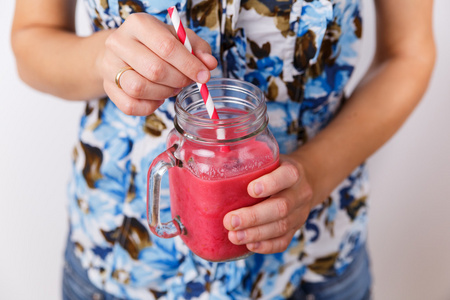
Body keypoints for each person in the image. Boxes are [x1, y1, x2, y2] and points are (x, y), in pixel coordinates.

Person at [11, 0, 435, 299]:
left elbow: (408, 53)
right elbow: (30, 42)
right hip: (121, 261)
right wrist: (102, 61)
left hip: (312, 259)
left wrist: (315, 173)